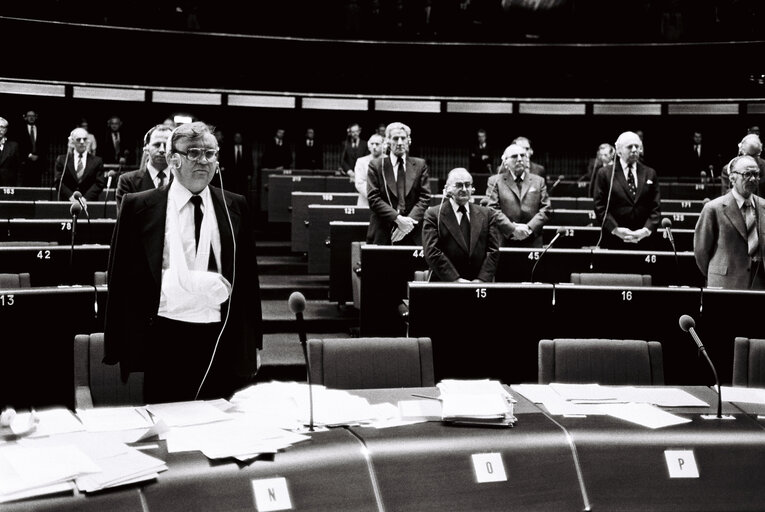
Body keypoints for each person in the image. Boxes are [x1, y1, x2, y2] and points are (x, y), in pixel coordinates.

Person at [104, 121, 262, 403]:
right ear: (172, 158)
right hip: (164, 334)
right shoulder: (138, 205)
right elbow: (120, 276)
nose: (203, 160)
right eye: (193, 153)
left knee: (219, 430)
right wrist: (118, 345)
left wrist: (253, 346)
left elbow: (248, 279)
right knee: (170, 426)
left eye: (210, 153)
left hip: (220, 333)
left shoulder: (235, 204)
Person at [694, 155, 765, 290]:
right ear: (732, 178)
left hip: (759, 284)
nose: (753, 179)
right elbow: (701, 251)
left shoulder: (763, 206)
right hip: (726, 283)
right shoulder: (713, 208)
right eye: (747, 174)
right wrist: (717, 273)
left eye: (756, 174)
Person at [422, 168, 503, 282]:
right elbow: (432, 251)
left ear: (472, 188)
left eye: (468, 185)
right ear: (447, 189)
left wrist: (481, 279)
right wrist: (455, 280)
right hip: (445, 283)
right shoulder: (433, 215)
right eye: (459, 185)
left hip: (478, 285)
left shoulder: (487, 214)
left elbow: (493, 251)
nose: (464, 189)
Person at [592, 131, 661, 248]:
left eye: (637, 146)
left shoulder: (650, 173)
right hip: (613, 239)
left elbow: (656, 207)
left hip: (645, 240)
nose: (634, 149)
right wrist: (615, 229)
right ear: (618, 151)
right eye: (630, 146)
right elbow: (599, 206)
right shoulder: (605, 173)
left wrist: (646, 231)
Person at [366, 122, 431, 245]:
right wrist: (397, 219)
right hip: (383, 232)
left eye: (403, 138)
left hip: (413, 232)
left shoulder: (420, 165)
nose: (400, 142)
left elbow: (425, 198)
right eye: (395, 138)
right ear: (388, 141)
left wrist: (407, 224)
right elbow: (373, 199)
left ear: (409, 140)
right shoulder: (376, 165)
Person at [485, 143, 551, 248]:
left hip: (532, 240)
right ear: (505, 162)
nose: (520, 159)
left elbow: (546, 209)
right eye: (514, 156)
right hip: (504, 240)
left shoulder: (539, 181)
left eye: (523, 155)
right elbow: (492, 209)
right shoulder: (495, 181)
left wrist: (529, 228)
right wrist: (513, 229)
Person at [115, 124, 173, 210]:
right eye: (157, 145)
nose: (162, 150)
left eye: (166, 145)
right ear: (146, 148)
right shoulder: (128, 181)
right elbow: (125, 220)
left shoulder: (183, 180)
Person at [53, 127, 106, 202]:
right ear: (72, 141)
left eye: (84, 139)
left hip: (90, 203)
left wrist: (85, 198)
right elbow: (58, 182)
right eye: (78, 139)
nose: (82, 142)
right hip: (68, 202)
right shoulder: (62, 160)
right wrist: (71, 197)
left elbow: (99, 183)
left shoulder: (97, 161)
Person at [354, 134, 384, 207]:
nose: (374, 147)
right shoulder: (361, 161)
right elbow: (359, 183)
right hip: (366, 202)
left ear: (383, 145)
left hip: (386, 203)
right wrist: (374, 197)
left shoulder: (389, 161)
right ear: (368, 146)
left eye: (377, 144)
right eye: (372, 144)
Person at [17, 110, 45, 187]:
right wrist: (29, 155)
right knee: (26, 184)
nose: (31, 118)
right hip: (25, 162)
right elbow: (19, 145)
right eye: (29, 116)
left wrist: (38, 156)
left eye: (33, 116)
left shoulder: (41, 129)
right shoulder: (20, 130)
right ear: (25, 118)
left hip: (38, 161)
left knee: (37, 184)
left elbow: (44, 145)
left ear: (36, 117)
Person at [0, 117, 21, 187]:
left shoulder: (13, 146)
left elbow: (18, 169)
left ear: (6, 130)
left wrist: (18, 188)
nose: (0, 130)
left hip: (7, 186)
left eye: (2, 127)